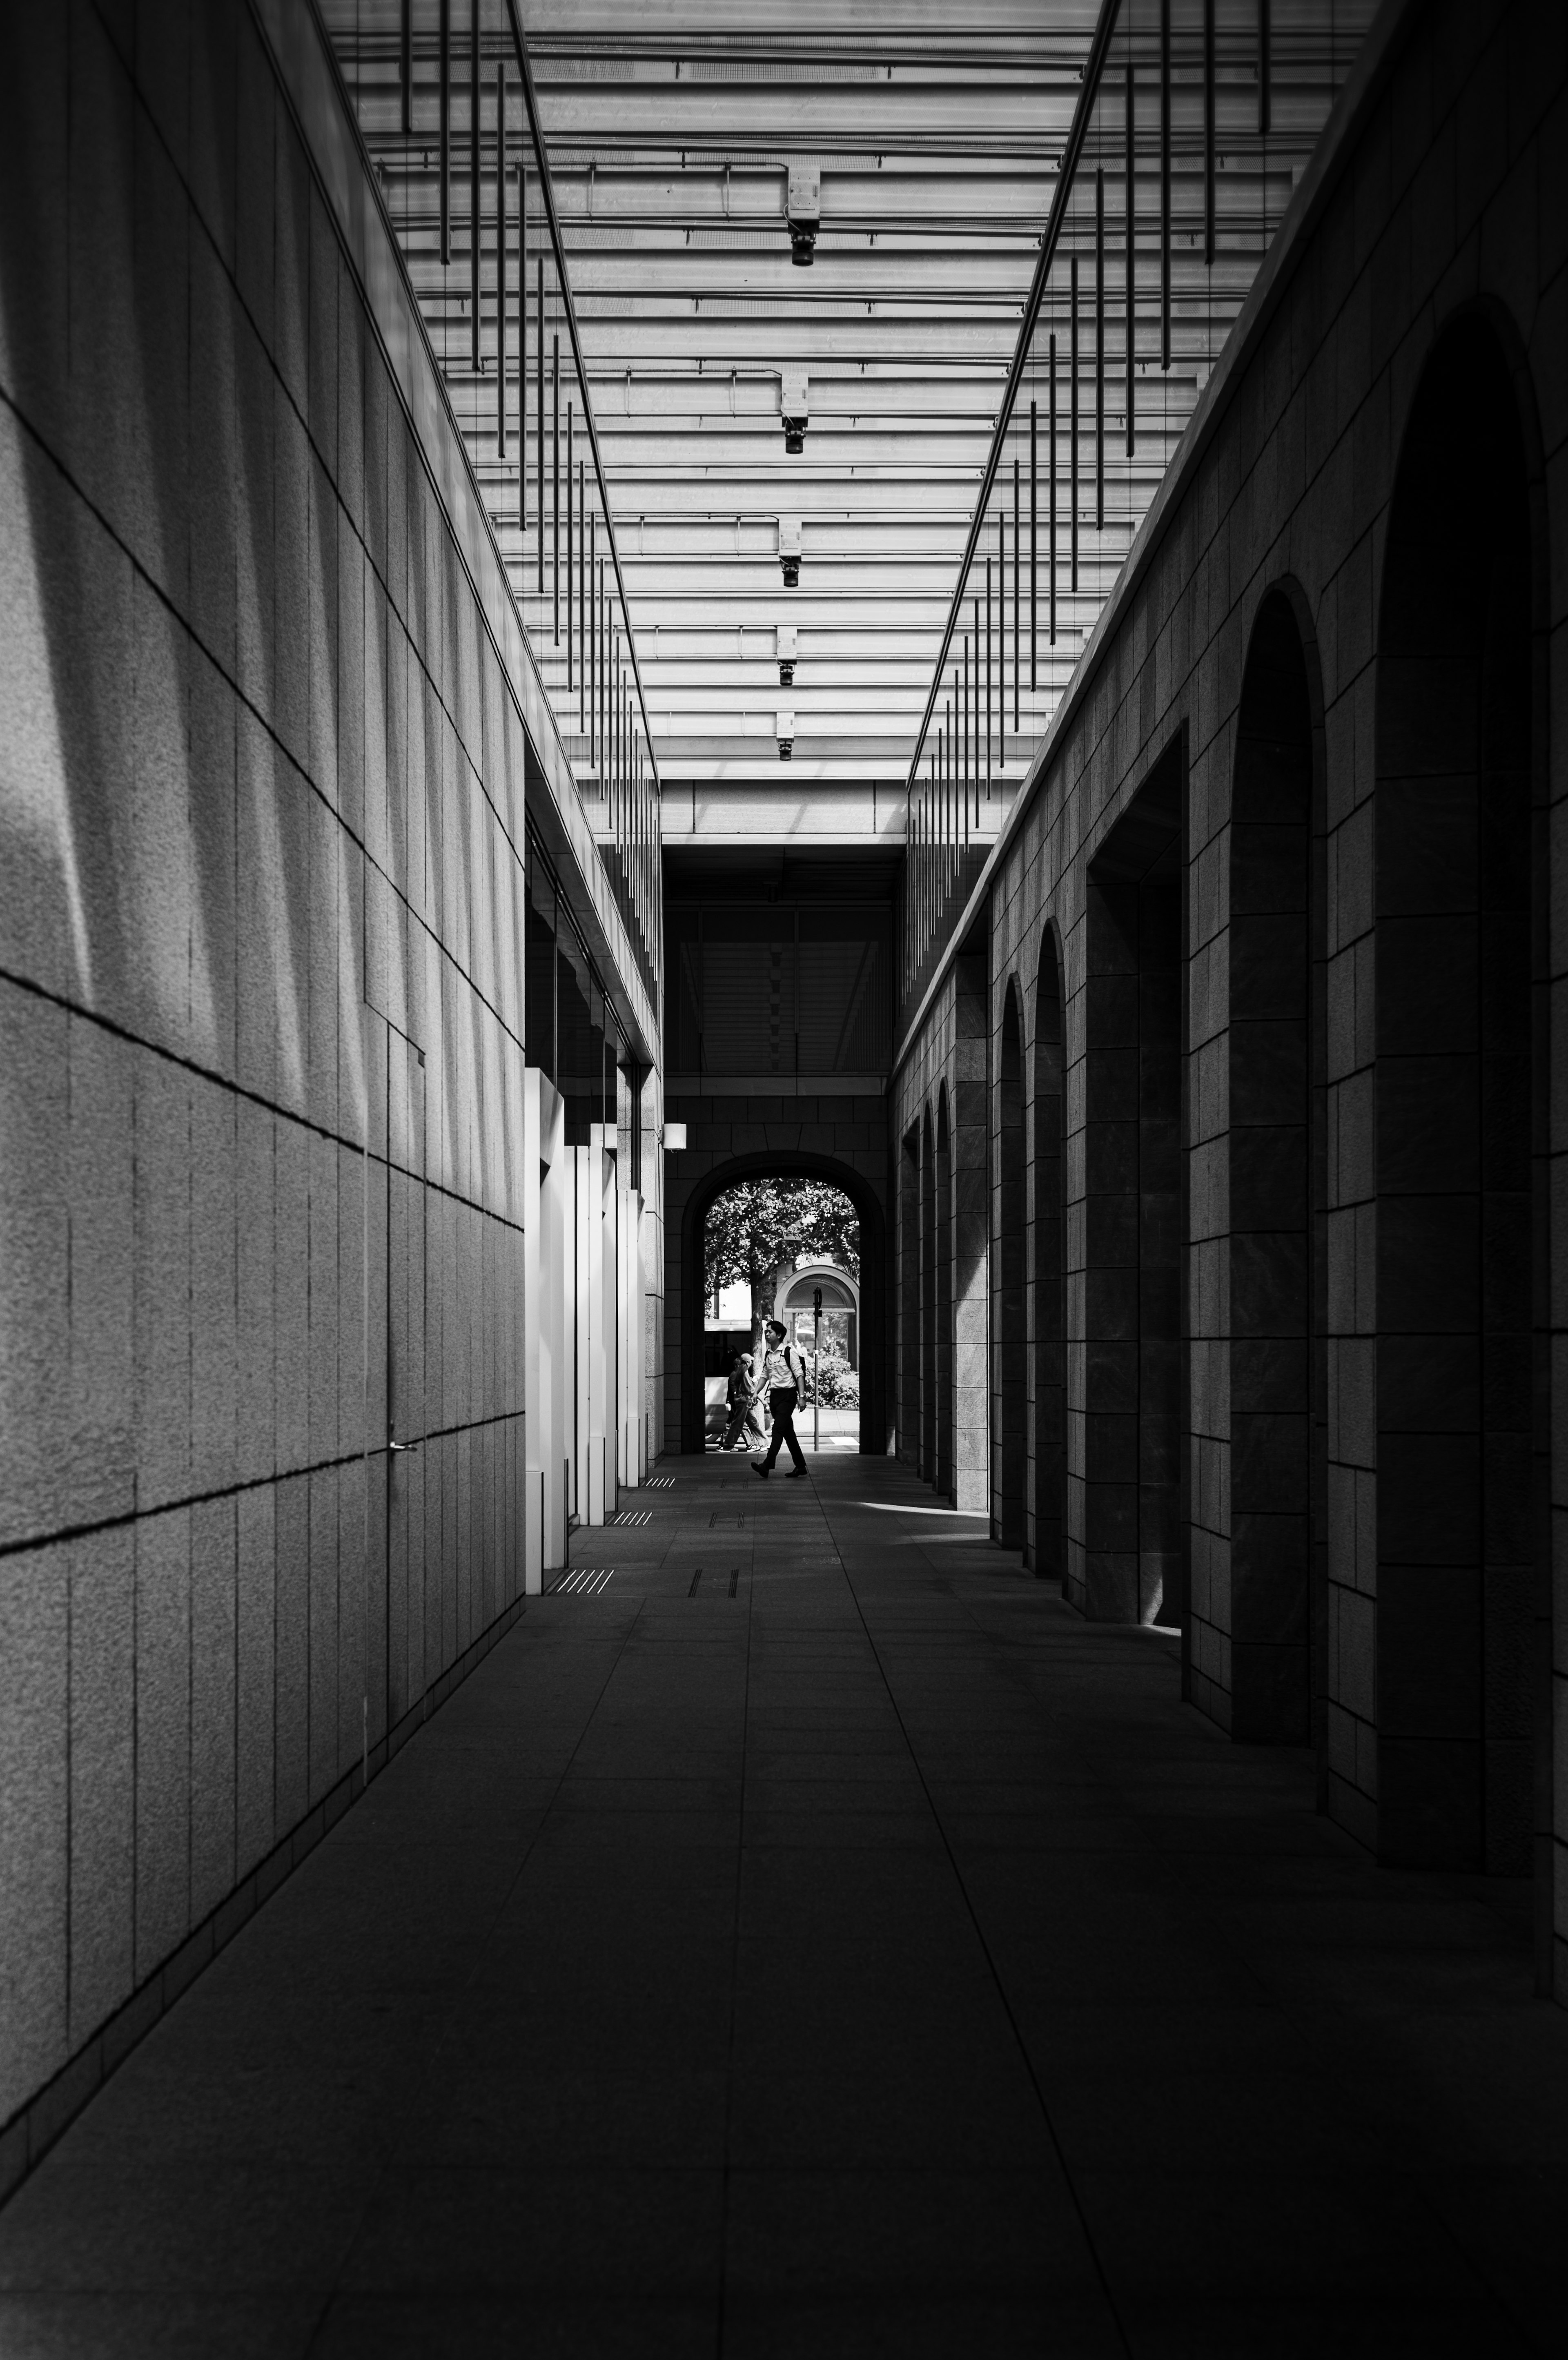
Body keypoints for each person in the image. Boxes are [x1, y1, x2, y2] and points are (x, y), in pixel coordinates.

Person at [752, 1318, 808, 1478]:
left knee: (777, 1430)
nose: (767, 1334)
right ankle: (801, 1466)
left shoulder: (789, 1353)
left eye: (770, 1332)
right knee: (788, 1433)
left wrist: (802, 1397)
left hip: (788, 1396)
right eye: (767, 1332)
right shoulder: (768, 1354)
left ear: (779, 1335)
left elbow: (799, 1375)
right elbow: (765, 1375)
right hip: (775, 1397)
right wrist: (756, 1393)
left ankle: (767, 1465)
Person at [721, 1349, 766, 1452]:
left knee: (752, 1423)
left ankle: (764, 1443)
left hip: (744, 1401)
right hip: (744, 1402)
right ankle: (728, 1445)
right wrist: (762, 1400)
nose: (751, 1363)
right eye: (750, 1361)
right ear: (747, 1362)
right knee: (739, 1424)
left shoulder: (740, 1372)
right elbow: (750, 1390)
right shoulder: (744, 1372)